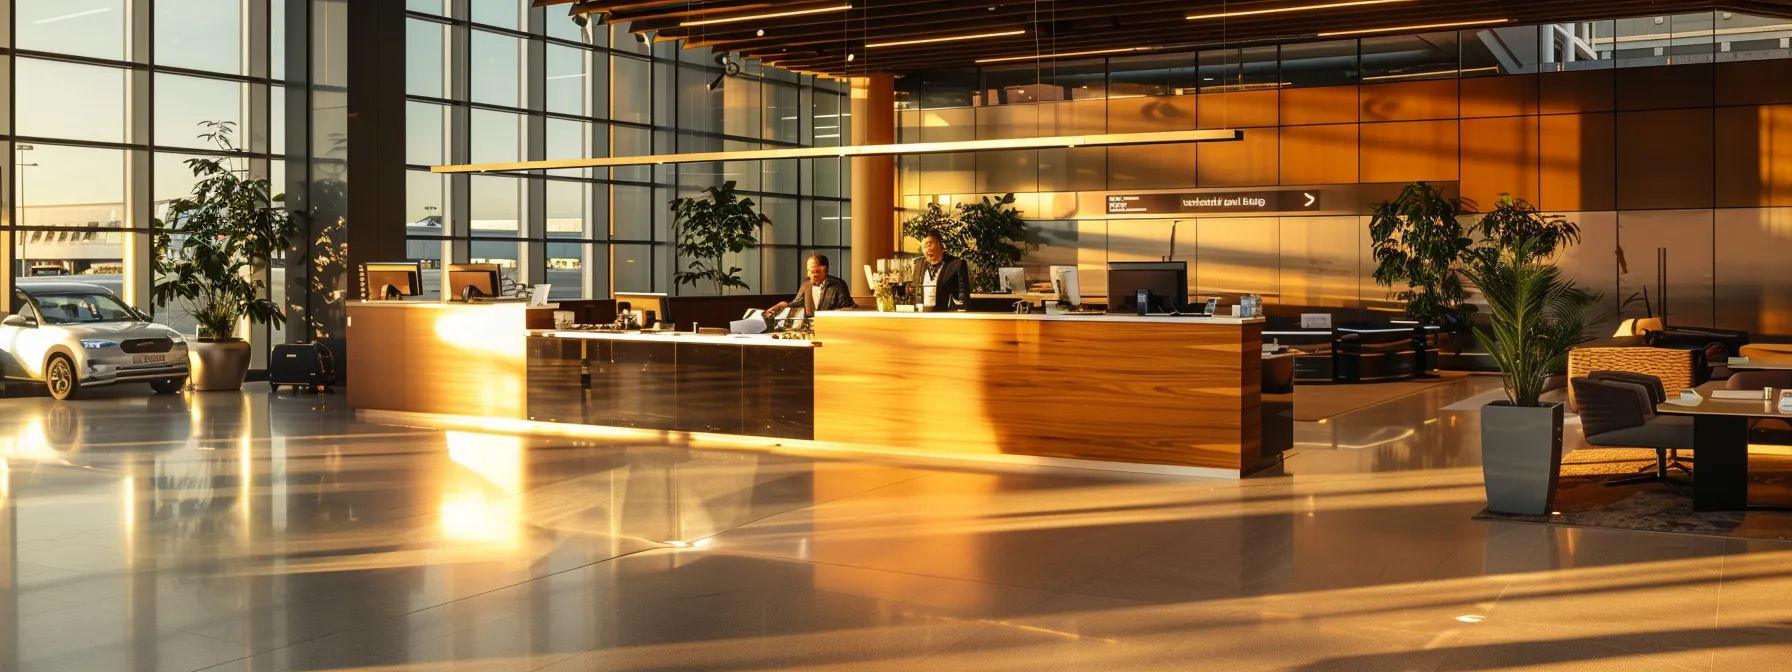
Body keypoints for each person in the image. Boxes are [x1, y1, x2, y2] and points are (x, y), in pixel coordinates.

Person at [769, 253, 854, 317]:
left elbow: (847, 308)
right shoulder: (806, 286)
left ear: (824, 269)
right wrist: (784, 305)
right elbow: (796, 303)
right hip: (810, 328)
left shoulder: (838, 285)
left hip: (831, 327)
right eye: (808, 271)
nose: (809, 274)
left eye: (814, 271)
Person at [919, 232, 971, 312]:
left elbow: (963, 299)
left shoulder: (956, 265)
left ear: (940, 244)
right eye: (924, 246)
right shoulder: (919, 265)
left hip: (947, 318)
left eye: (929, 244)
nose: (927, 249)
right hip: (923, 318)